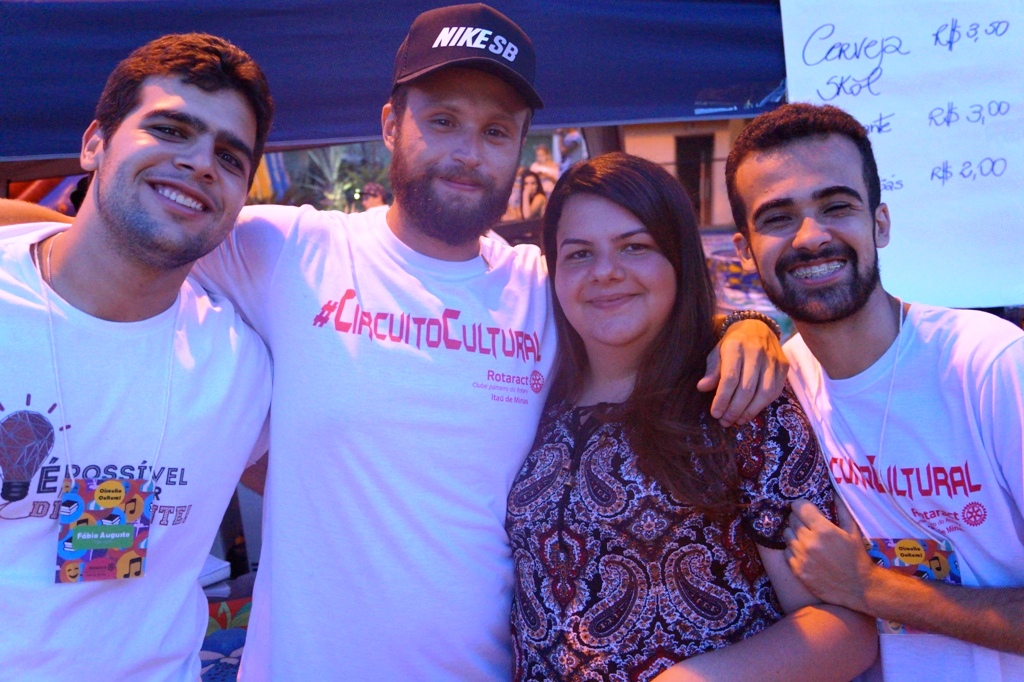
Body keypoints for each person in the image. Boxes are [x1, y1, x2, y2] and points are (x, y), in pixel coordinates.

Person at [1, 5, 787, 679]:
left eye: (495, 131)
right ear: (390, 126)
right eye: (442, 121)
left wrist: (743, 328)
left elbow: (639, 302)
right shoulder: (286, 249)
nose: (467, 151)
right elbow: (135, 222)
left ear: (519, 148)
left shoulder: (543, 287)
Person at [506, 152, 876, 681]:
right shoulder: (535, 393)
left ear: (679, 258)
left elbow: (846, 628)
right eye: (579, 253)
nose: (605, 271)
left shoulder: (739, 400)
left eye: (635, 247)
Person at [0, 34, 274, 681]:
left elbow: (332, 486)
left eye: (229, 157)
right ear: (94, 143)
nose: (201, 164)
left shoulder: (243, 366)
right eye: (171, 130)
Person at [727, 102, 1024, 679]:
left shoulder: (988, 366)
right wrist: (737, 325)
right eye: (778, 218)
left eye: (836, 207)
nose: (812, 237)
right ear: (745, 251)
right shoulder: (778, 390)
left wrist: (872, 587)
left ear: (880, 224)